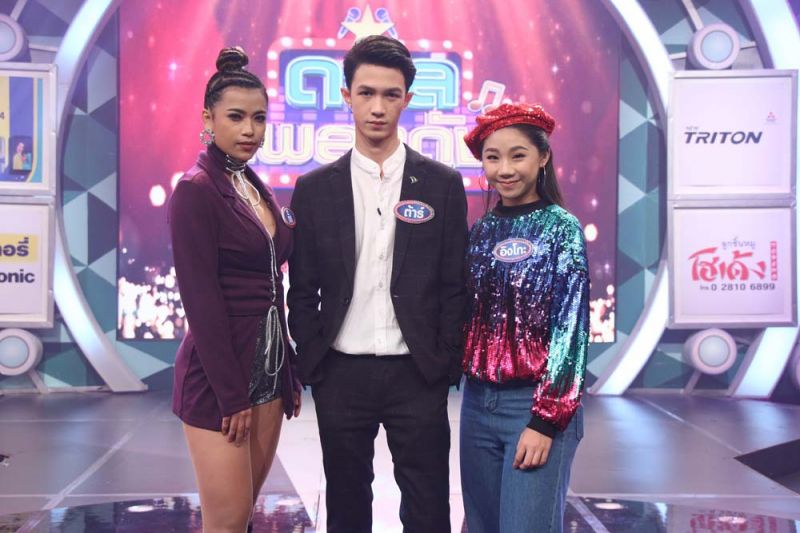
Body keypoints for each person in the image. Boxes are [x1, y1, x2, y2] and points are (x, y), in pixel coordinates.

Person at [287, 35, 468, 532]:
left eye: (390, 95)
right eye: (366, 93)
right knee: (346, 508)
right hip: (341, 371)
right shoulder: (314, 189)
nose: (378, 107)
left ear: (407, 99)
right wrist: (315, 359)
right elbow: (301, 288)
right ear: (346, 96)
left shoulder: (442, 184)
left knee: (428, 509)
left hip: (418, 372)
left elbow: (455, 283)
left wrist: (444, 361)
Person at [168, 47, 301, 533]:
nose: (250, 130)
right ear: (208, 119)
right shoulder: (196, 190)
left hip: (269, 371)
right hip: (220, 381)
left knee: (243, 518)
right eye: (236, 117)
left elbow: (272, 284)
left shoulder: (252, 183)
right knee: (225, 523)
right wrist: (231, 396)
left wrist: (287, 372)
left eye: (259, 118)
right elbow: (201, 302)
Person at [460, 103, 589, 533]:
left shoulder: (562, 228)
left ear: (543, 157)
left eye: (518, 155)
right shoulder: (482, 231)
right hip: (478, 405)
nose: (505, 169)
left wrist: (545, 420)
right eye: (493, 157)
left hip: (533, 406)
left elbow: (570, 329)